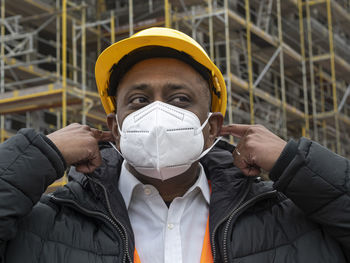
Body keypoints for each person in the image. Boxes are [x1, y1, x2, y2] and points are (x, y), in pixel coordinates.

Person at [0, 27, 349, 263]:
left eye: (179, 99)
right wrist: (40, 156)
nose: (156, 112)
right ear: (115, 127)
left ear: (212, 127)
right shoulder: (49, 224)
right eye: (138, 100)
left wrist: (296, 165)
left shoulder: (285, 223)